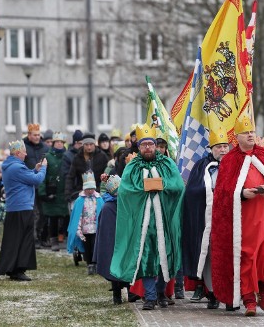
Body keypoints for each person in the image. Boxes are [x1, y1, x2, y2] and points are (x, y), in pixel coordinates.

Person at [210, 114, 264, 316]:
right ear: (236, 136)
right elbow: (222, 193)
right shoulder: (229, 161)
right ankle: (249, 301)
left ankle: (263, 291)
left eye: (252, 131)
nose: (250, 135)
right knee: (246, 259)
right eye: (246, 132)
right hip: (243, 222)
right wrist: (242, 194)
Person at [110, 123, 184, 311]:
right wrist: (143, 188)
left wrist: (161, 185)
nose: (148, 148)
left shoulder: (167, 163)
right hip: (143, 223)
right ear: (139, 147)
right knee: (146, 258)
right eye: (144, 145)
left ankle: (161, 293)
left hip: (164, 221)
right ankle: (149, 296)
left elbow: (178, 186)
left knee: (163, 257)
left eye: (151, 144)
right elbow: (125, 190)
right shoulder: (132, 167)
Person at [182, 126, 230, 310]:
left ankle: (231, 293)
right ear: (211, 148)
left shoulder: (234, 165)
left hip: (228, 220)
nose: (223, 150)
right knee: (210, 255)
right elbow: (192, 191)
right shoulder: (201, 166)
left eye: (225, 146)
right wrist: (209, 192)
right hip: (208, 219)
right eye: (219, 146)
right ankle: (213, 293)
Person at [0, 140, 48, 281]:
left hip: (15, 209)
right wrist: (43, 168)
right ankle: (18, 270)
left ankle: (12, 269)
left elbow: (25, 178)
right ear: (18, 153)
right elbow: (36, 180)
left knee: (13, 240)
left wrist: (34, 170)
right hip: (22, 209)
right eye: (24, 152)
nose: (26, 154)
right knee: (24, 240)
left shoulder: (10, 166)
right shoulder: (17, 168)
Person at [93, 174, 129, 304]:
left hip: (123, 243)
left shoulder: (125, 205)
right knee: (114, 266)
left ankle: (128, 293)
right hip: (113, 245)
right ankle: (117, 295)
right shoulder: (108, 208)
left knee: (126, 265)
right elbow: (105, 231)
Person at [67, 171, 104, 275]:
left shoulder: (99, 199)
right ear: (85, 188)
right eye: (88, 188)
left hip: (96, 229)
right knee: (86, 248)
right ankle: (89, 264)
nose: (91, 190)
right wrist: (78, 230)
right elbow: (77, 216)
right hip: (85, 230)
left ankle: (95, 263)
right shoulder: (80, 200)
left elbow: (102, 213)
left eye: (92, 188)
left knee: (95, 247)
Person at [37, 132, 68, 251]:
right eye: (57, 142)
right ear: (54, 143)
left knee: (66, 216)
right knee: (53, 218)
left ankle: (63, 237)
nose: (59, 144)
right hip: (52, 190)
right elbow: (42, 174)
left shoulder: (67, 156)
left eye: (61, 142)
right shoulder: (47, 157)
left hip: (64, 190)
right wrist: (43, 192)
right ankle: (53, 239)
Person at [23, 123, 50, 248]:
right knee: (32, 212)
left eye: (39, 135)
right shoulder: (23, 147)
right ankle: (32, 238)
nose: (37, 137)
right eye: (34, 135)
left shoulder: (45, 148)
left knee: (43, 212)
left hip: (42, 184)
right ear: (29, 135)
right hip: (28, 184)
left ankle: (40, 234)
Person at [65, 133, 109, 201]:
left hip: (98, 192)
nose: (89, 147)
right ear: (83, 145)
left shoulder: (102, 156)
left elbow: (107, 175)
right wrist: (68, 193)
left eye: (91, 144)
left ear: (94, 144)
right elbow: (71, 176)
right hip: (82, 192)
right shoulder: (78, 157)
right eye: (86, 144)